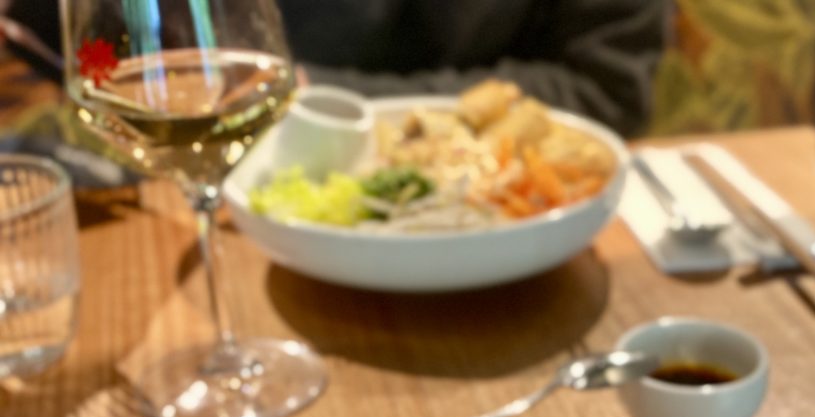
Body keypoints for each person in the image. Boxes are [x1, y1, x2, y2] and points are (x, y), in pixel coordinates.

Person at [4, 0, 669, 137]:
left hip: (515, 239)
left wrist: (323, 95)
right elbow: (90, 46)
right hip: (218, 215)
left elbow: (604, 88)